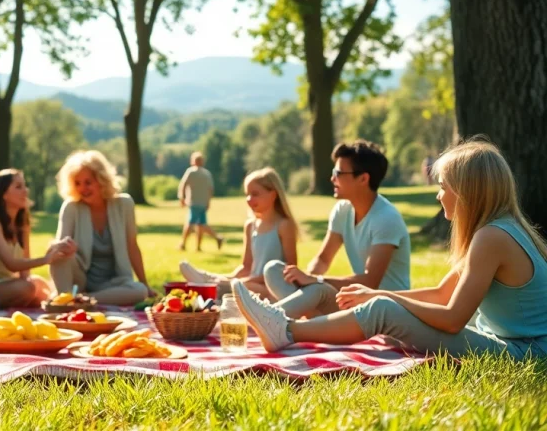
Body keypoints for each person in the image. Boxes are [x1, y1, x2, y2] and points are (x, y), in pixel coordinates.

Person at [232, 138, 547, 359]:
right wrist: (377, 297)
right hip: (512, 344)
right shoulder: (495, 230)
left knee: (381, 310)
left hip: (523, 352)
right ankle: (285, 323)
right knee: (379, 306)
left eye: (442, 187)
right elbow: (441, 294)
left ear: (465, 191)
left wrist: (380, 296)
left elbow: (452, 318)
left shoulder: (491, 236)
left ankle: (285, 329)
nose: (439, 196)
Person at [261, 140, 411, 319]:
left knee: (317, 291)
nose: (332, 178)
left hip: (384, 311)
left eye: (338, 173)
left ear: (363, 178)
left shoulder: (386, 218)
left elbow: (370, 281)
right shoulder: (343, 210)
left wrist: (316, 282)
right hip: (352, 305)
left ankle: (270, 316)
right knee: (274, 270)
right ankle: (294, 315)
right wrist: (306, 279)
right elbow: (323, 260)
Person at [49, 150, 156, 306]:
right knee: (59, 254)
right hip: (80, 279)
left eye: (88, 182)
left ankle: (82, 301)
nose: (82, 188)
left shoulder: (124, 204)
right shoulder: (71, 207)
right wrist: (64, 247)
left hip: (113, 283)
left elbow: (132, 246)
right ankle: (66, 301)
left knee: (140, 290)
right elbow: (59, 247)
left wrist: (145, 283)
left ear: (102, 180)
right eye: (77, 183)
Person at [178, 168, 299, 299]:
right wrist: (229, 277)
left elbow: (289, 270)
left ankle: (211, 285)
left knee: (237, 287)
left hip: (273, 291)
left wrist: (244, 281)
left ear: (273, 195)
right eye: (247, 194)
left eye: (255, 194)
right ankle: (210, 280)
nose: (249, 199)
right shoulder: (250, 226)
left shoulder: (283, 225)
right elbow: (246, 267)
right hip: (251, 286)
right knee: (232, 284)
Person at [0, 169, 76, 308]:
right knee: (27, 288)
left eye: (24, 185)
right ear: (3, 194)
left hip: (9, 282)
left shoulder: (22, 224)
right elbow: (11, 264)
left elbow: (24, 273)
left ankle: (26, 303)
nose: (26, 191)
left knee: (40, 284)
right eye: (18, 187)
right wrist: (46, 259)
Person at [178, 152, 222, 251]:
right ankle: (199, 246)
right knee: (200, 225)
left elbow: (183, 184)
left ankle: (183, 244)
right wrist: (208, 202)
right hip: (203, 202)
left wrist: (182, 197)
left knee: (191, 224)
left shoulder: (190, 172)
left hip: (193, 202)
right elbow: (210, 189)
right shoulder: (207, 174)